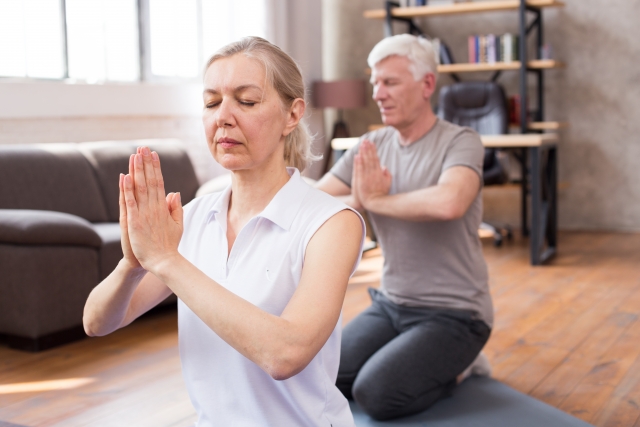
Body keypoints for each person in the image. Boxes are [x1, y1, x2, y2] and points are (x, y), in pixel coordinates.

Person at [83, 37, 365, 427]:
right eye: (212, 102)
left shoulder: (332, 222)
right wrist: (132, 265)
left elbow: (286, 354)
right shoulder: (193, 218)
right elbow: (97, 322)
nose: (223, 117)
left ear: (291, 114)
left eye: (246, 101)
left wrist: (167, 260)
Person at [316, 34, 494, 420]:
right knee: (321, 375)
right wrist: (360, 201)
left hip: (456, 314)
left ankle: (459, 368)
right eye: (375, 83)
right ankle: (420, 357)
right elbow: (312, 202)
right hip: (392, 304)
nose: (378, 93)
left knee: (375, 393)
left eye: (390, 82)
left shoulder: (462, 141)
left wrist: (376, 201)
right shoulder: (370, 145)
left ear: (427, 84)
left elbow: (450, 202)